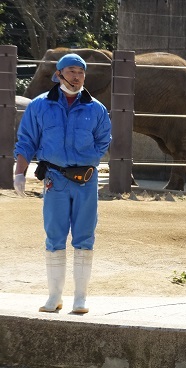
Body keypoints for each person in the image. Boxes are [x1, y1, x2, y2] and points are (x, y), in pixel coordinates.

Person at [13, 53, 112, 314]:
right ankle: (54, 296)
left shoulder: (96, 108)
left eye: (81, 72)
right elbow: (26, 140)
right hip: (54, 180)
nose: (77, 76)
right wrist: (19, 171)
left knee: (84, 236)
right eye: (71, 71)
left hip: (85, 181)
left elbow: (104, 140)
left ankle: (80, 298)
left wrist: (86, 160)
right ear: (58, 75)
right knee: (54, 236)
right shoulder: (39, 106)